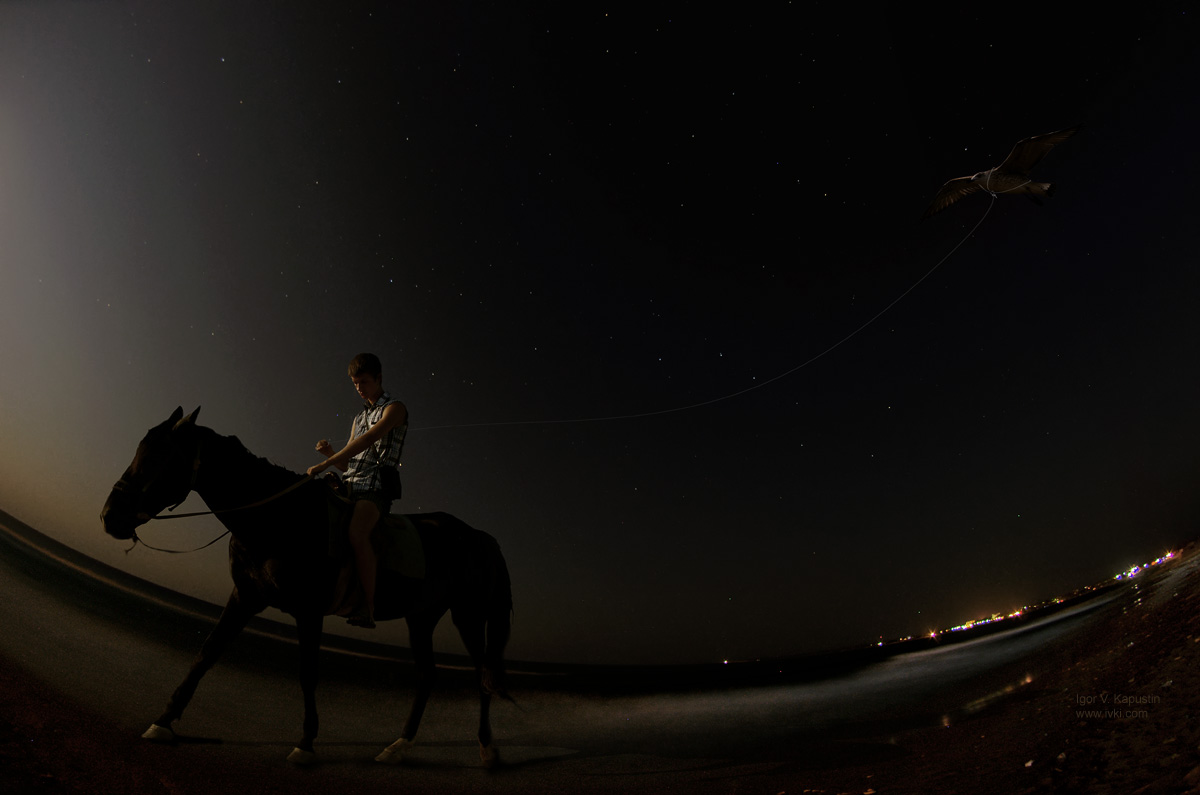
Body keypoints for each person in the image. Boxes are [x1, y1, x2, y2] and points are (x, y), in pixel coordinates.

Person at [308, 353, 408, 629]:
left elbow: (369, 439)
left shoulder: (395, 408)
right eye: (354, 383)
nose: (359, 388)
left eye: (363, 381)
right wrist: (331, 454)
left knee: (357, 532)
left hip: (375, 488)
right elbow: (348, 464)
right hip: (351, 483)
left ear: (378, 379)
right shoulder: (358, 417)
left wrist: (325, 462)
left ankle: (368, 605)